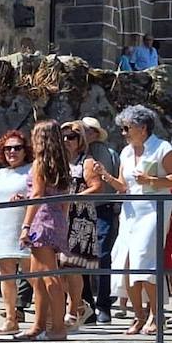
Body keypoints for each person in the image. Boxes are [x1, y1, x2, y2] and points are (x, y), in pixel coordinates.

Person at [102, 105, 172, 335]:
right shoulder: (126, 152)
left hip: (154, 210)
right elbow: (124, 186)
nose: (123, 133)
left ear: (142, 128)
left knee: (146, 261)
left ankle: (156, 315)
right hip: (130, 212)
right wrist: (106, 177)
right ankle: (139, 315)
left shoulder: (162, 148)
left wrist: (151, 179)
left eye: (126, 128)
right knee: (126, 262)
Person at [16, 120, 69, 342]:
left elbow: (37, 195)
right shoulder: (62, 163)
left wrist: (26, 225)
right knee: (38, 277)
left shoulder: (40, 164)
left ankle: (57, 327)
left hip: (41, 220)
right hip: (55, 219)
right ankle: (38, 325)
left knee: (48, 276)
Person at [0, 130, 33, 335]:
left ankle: (52, 313)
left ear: (26, 150)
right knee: (5, 274)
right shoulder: (1, 173)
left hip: (25, 226)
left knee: (33, 273)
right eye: (8, 148)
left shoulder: (32, 169)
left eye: (17, 147)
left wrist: (26, 200)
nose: (12, 151)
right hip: (3, 228)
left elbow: (40, 196)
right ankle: (10, 318)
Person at [59, 120, 101, 329]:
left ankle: (73, 310)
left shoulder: (87, 161)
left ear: (80, 140)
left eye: (72, 136)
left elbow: (96, 186)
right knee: (59, 266)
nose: (67, 140)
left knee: (72, 265)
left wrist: (74, 198)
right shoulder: (59, 162)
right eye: (64, 136)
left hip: (80, 218)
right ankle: (81, 306)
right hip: (61, 216)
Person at [82, 117, 120, 323]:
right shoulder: (76, 155)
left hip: (105, 209)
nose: (84, 134)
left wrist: (117, 206)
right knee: (81, 258)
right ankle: (86, 304)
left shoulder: (111, 154)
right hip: (82, 210)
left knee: (104, 255)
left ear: (96, 133)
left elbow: (117, 180)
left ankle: (104, 304)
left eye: (88, 130)